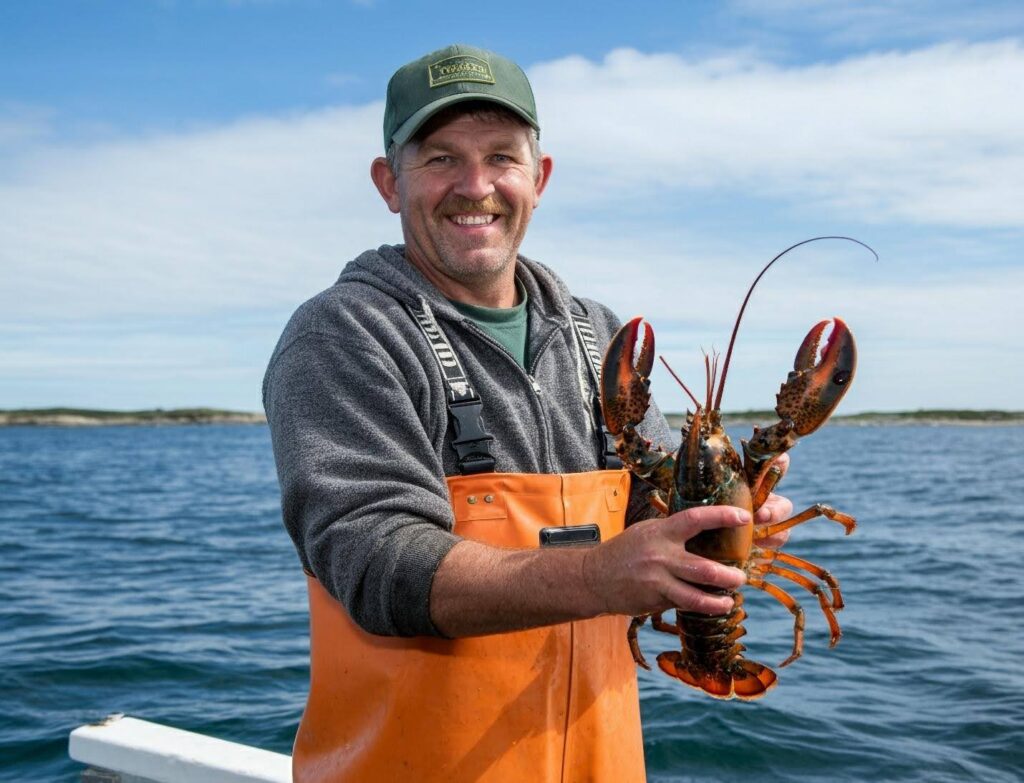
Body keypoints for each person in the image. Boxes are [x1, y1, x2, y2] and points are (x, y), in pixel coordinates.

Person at [263, 43, 793, 783]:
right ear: (389, 182)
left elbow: (650, 517)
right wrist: (600, 576)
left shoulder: (599, 336)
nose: (475, 185)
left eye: (502, 158)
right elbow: (376, 559)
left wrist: (719, 523)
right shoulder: (345, 335)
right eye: (440, 158)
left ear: (538, 179)